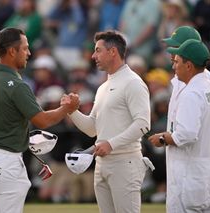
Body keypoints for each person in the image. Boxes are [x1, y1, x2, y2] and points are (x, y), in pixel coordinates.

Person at [0, 27, 79, 213]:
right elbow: (43, 121)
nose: (29, 53)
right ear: (12, 51)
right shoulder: (19, 86)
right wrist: (67, 108)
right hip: (3, 160)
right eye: (25, 48)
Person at [63, 30, 151, 213]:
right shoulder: (103, 87)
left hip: (125, 163)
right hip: (102, 164)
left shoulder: (133, 82)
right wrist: (72, 111)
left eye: (98, 50)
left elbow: (143, 123)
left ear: (113, 52)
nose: (93, 56)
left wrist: (111, 144)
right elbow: (92, 129)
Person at [148, 39, 210, 212]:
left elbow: (187, 134)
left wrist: (162, 138)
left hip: (189, 179)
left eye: (177, 62)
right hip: (208, 174)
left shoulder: (191, 93)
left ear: (189, 65)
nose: (174, 66)